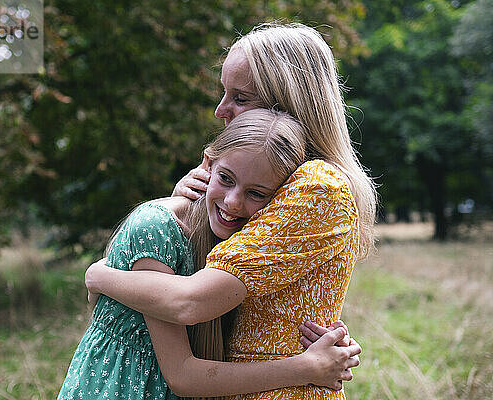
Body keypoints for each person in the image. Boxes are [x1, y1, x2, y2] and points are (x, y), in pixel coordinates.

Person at [84, 22, 378, 400]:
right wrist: (187, 215)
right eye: (224, 92)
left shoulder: (316, 186)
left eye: (240, 97)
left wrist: (99, 274)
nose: (221, 109)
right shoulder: (262, 182)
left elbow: (192, 301)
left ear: (283, 106)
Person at [58, 109, 361, 400]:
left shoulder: (236, 247)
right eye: (226, 179)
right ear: (207, 164)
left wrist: (326, 334)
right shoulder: (157, 228)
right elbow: (182, 375)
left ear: (279, 204)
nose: (232, 202)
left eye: (256, 194)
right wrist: (306, 367)